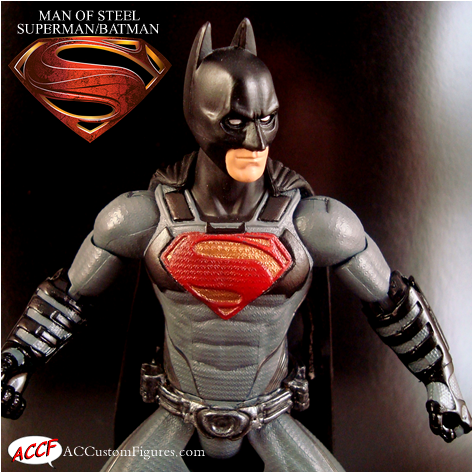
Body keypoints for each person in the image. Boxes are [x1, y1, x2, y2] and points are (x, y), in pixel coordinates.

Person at [2, 19, 470, 472]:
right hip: (175, 418)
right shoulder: (143, 218)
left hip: (272, 420)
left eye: (267, 120)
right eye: (235, 121)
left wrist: (440, 381)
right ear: (198, 116)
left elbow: (391, 301)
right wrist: (15, 362)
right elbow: (68, 297)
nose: (256, 139)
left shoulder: (317, 225)